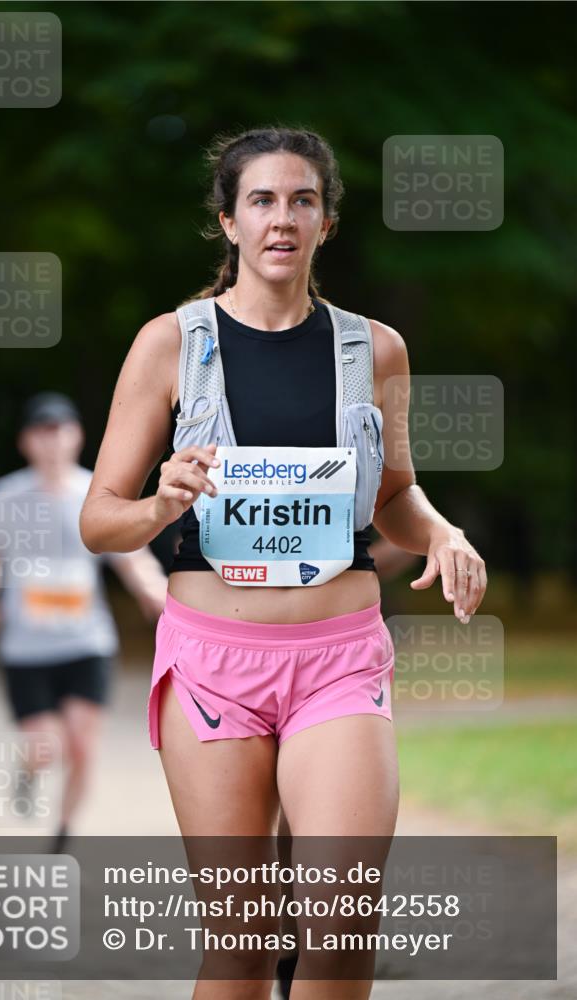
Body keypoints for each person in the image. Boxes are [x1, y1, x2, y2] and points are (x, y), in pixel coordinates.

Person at [80, 127, 487, 999]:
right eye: (261, 200)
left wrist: (444, 533)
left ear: (326, 224)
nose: (282, 217)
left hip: (338, 661)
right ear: (227, 222)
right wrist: (161, 501)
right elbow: (99, 521)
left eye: (302, 199)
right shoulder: (171, 344)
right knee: (245, 942)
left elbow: (395, 499)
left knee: (339, 930)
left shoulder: (373, 350)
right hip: (213, 666)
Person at [0, 392, 167, 852]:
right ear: (26, 442)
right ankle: (30, 770)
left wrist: (154, 592)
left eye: (61, 430)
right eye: (42, 432)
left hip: (87, 642)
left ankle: (62, 834)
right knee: (45, 746)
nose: (53, 441)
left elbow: (130, 554)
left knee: (81, 746)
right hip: (26, 646)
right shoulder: (5, 495)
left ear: (77, 436)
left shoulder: (95, 492)